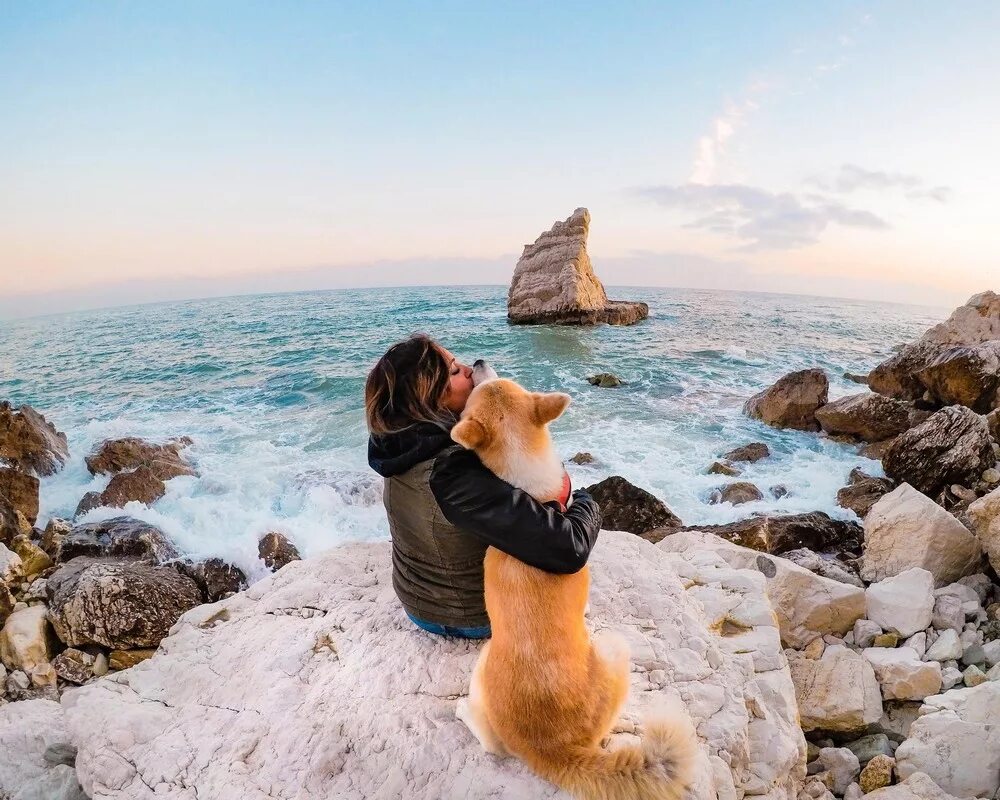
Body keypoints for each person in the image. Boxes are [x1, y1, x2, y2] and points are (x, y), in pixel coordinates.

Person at [365, 334, 602, 638]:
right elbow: (569, 549)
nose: (467, 370)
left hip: (417, 597)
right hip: (466, 615)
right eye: (453, 371)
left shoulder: (396, 441)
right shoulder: (453, 472)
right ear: (430, 398)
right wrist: (586, 501)